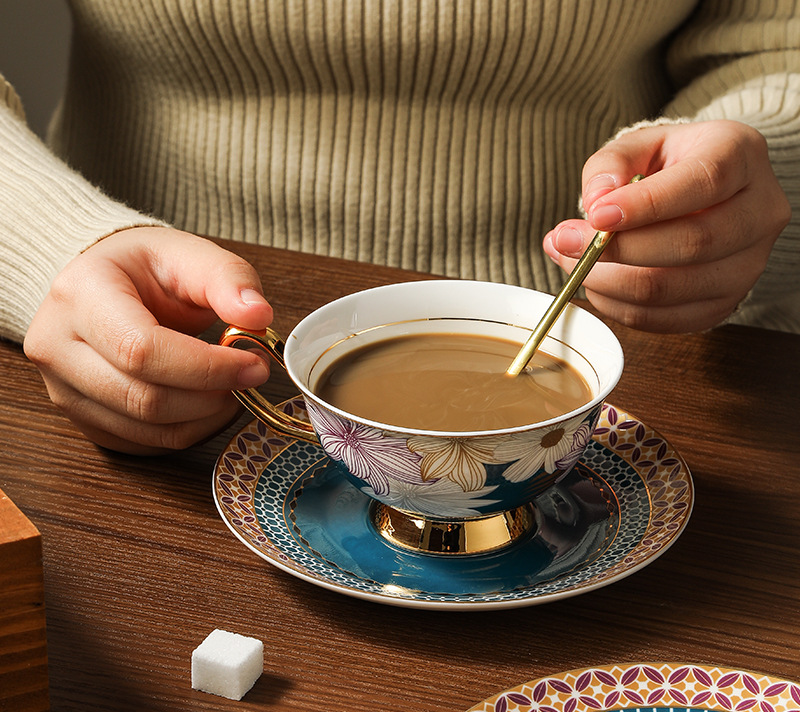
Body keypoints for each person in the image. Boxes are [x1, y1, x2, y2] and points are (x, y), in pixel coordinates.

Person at [0, 0, 797, 455]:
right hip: (122, 362)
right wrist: (43, 236)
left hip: (657, 370)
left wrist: (739, 185)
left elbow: (774, 50)